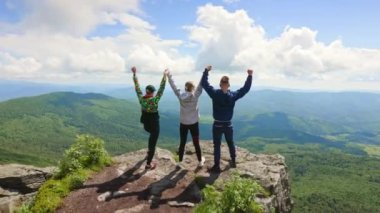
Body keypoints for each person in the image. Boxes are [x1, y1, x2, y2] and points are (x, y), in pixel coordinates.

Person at [201, 65, 253, 173]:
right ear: (228, 85)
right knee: (230, 142)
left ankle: (216, 166)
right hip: (228, 124)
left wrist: (206, 71)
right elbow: (245, 89)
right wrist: (250, 76)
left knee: (217, 146)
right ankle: (233, 161)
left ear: (220, 85)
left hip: (217, 124)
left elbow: (204, 84)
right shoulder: (232, 95)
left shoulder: (215, 94)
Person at [167, 69, 205, 168]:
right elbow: (201, 84)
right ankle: (200, 161)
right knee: (196, 142)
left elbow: (174, 87)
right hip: (194, 124)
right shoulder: (195, 96)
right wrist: (205, 72)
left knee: (182, 142)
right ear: (193, 88)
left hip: (183, 123)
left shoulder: (180, 96)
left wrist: (169, 75)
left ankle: (180, 162)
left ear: (185, 87)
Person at [132, 66, 167, 170]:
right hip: (154, 125)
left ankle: (149, 152)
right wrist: (164, 76)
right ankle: (148, 164)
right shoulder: (155, 100)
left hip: (146, 125)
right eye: (154, 92)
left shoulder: (141, 99)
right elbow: (162, 88)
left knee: (151, 138)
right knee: (153, 142)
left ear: (146, 91)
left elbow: (137, 87)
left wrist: (134, 74)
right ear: (152, 92)